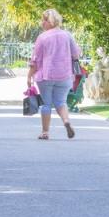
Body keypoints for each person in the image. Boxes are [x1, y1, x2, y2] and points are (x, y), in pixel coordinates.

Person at [27, 9, 81, 140]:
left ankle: (45, 132)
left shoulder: (42, 37)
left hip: (46, 76)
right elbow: (76, 54)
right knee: (61, 102)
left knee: (46, 104)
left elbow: (36, 60)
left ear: (49, 21)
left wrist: (29, 76)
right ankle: (66, 121)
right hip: (64, 75)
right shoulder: (67, 35)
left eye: (43, 20)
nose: (42, 23)